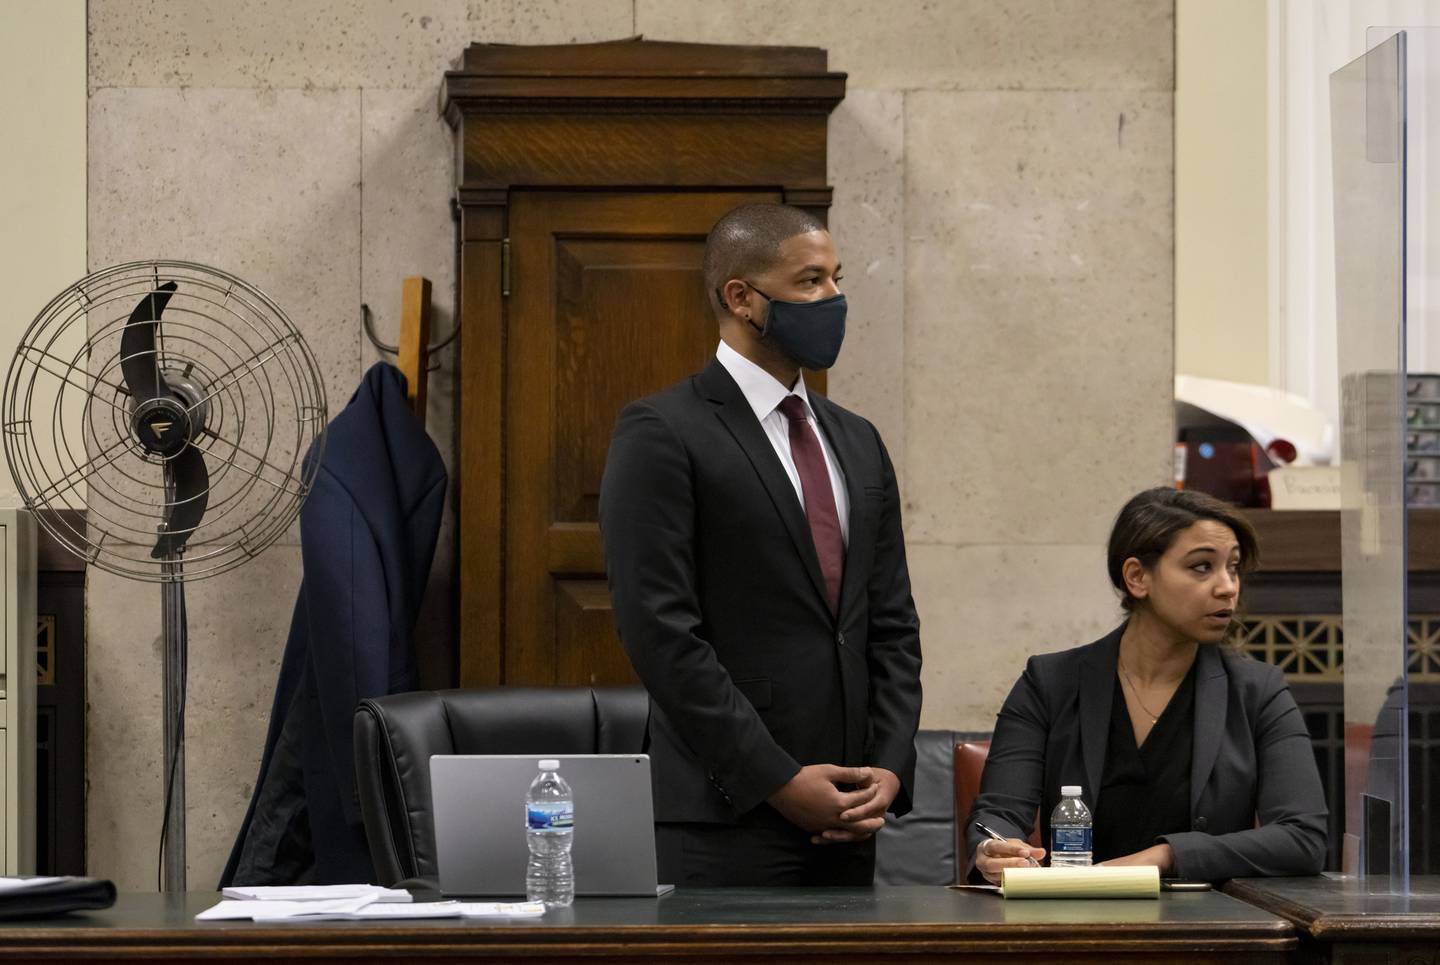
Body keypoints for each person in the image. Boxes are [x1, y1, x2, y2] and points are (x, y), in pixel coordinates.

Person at [599, 202, 923, 886]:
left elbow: (890, 623)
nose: (833, 299)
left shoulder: (857, 439)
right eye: (810, 282)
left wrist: (889, 767)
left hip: (850, 816)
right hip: (727, 814)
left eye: (837, 279)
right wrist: (777, 778)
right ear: (741, 297)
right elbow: (660, 632)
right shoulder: (664, 430)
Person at [967, 487, 1328, 883]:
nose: (1228, 587)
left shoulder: (1258, 691)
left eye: (1234, 567)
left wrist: (1167, 855)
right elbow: (998, 814)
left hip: (1212, 929)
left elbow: (1303, 838)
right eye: (1202, 567)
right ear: (1138, 577)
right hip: (1074, 920)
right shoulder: (1049, 683)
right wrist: (995, 850)